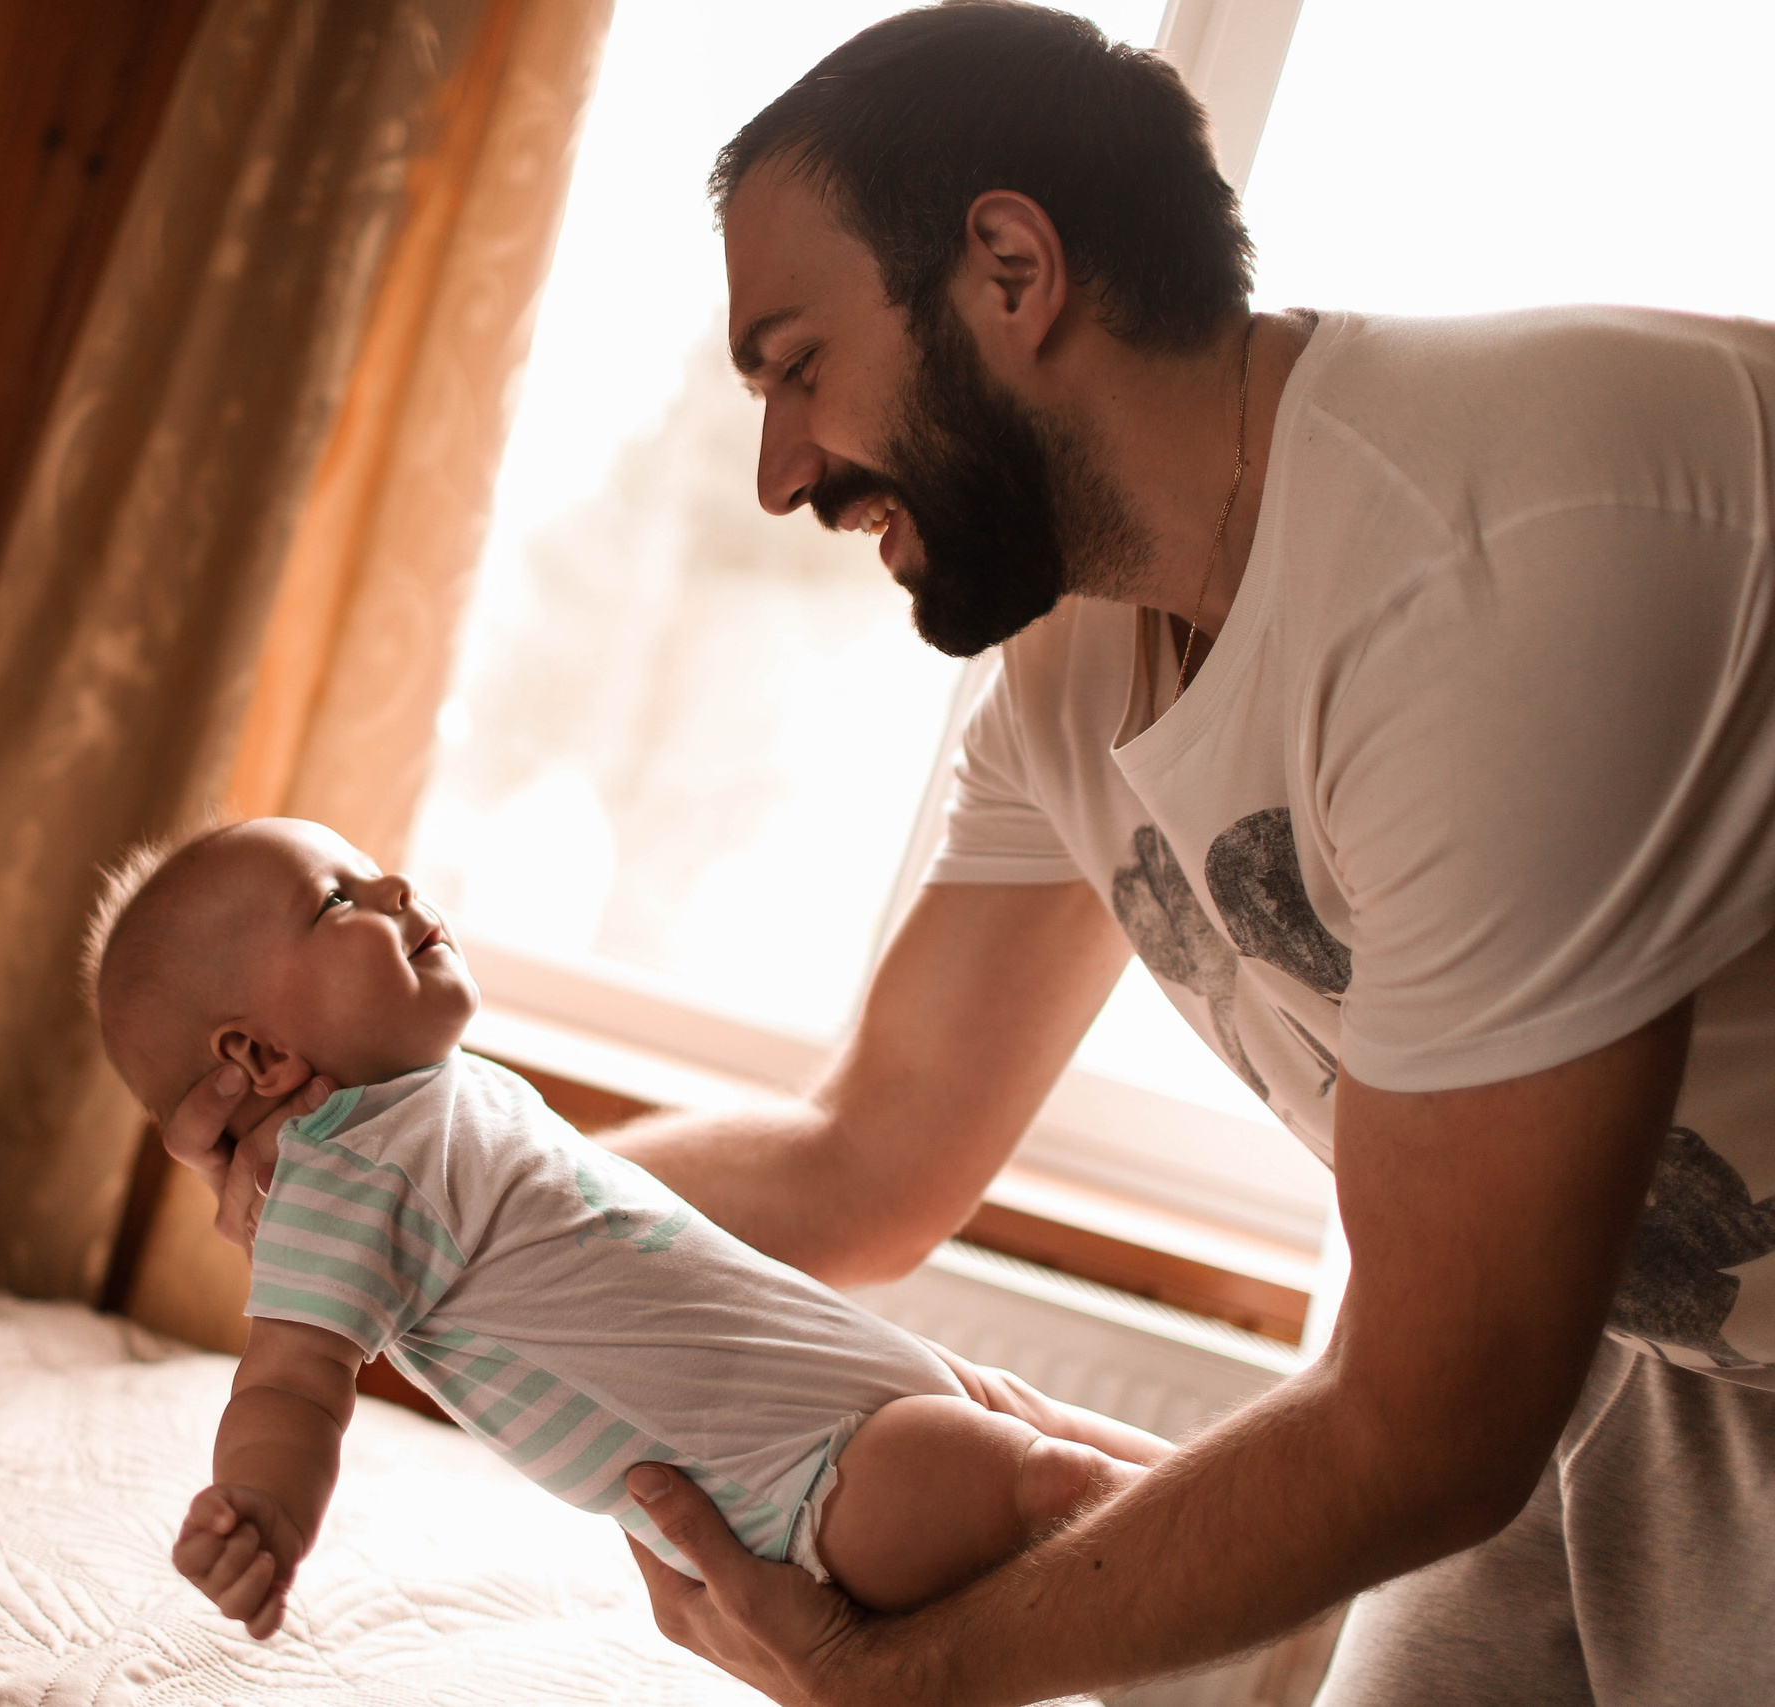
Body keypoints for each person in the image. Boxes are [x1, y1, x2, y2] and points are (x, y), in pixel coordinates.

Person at [158, 4, 1775, 1701]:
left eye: (797, 365)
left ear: (1011, 268)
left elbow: (1435, 1422)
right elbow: (874, 1152)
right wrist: (384, 1195)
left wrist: (913, 1678)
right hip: (1591, 1316)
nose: (781, 470)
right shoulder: (1075, 650)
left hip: (1555, 1367)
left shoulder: (1484, 570)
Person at [86, 815, 1167, 1639]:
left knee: (1130, 1461)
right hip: (803, 1487)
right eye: (336, 902)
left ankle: (1322, 1528)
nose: (395, 885)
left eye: (368, 866)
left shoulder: (429, 1099)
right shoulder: (338, 1182)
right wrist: (263, 1509)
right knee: (1066, 1495)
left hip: (866, 1394)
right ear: (259, 1061)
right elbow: (287, 1381)